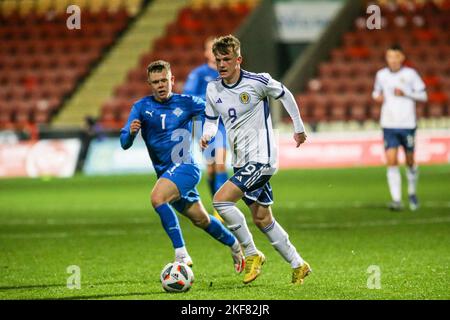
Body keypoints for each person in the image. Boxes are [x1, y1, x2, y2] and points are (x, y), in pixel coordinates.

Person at [200, 35, 311, 285]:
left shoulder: (257, 81)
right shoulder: (212, 88)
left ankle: (252, 253)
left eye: (226, 59)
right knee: (262, 218)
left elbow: (286, 95)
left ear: (238, 59)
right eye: (218, 60)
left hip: (262, 159)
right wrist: (207, 136)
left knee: (220, 201)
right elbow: (210, 120)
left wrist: (299, 128)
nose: (221, 64)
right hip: (241, 162)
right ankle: (298, 264)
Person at [120, 60, 244, 273]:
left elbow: (214, 110)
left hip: (186, 167)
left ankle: (181, 254)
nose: (161, 85)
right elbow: (124, 143)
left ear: (172, 80)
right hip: (167, 173)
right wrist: (131, 132)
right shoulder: (141, 107)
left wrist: (209, 132)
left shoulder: (186, 102)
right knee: (202, 219)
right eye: (156, 82)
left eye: (164, 80)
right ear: (150, 84)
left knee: (157, 198)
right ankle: (236, 246)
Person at [372, 44, 427, 211]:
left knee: (410, 161)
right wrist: (378, 97)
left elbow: (423, 95)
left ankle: (411, 192)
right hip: (388, 124)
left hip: (407, 124)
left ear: (402, 58)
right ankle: (396, 199)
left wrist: (406, 93)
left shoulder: (410, 74)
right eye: (390, 57)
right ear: (387, 58)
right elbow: (375, 92)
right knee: (391, 161)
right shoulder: (381, 75)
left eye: (396, 57)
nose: (393, 60)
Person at [183, 37, 228, 221]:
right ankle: (217, 201)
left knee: (220, 163)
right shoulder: (199, 74)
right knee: (210, 169)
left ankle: (222, 207)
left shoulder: (229, 72)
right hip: (203, 124)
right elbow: (188, 96)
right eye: (211, 49)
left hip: (224, 124)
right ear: (206, 53)